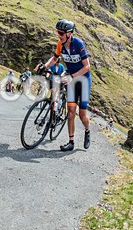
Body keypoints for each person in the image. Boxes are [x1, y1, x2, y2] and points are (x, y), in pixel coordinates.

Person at [37, 19, 92, 151]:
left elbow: (87, 67)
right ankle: (71, 142)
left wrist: (72, 76)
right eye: (58, 32)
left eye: (61, 33)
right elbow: (55, 58)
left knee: (82, 115)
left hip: (83, 81)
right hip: (71, 79)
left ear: (69, 33)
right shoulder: (60, 45)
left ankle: (87, 130)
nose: (59, 35)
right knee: (71, 112)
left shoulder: (78, 44)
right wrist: (44, 66)